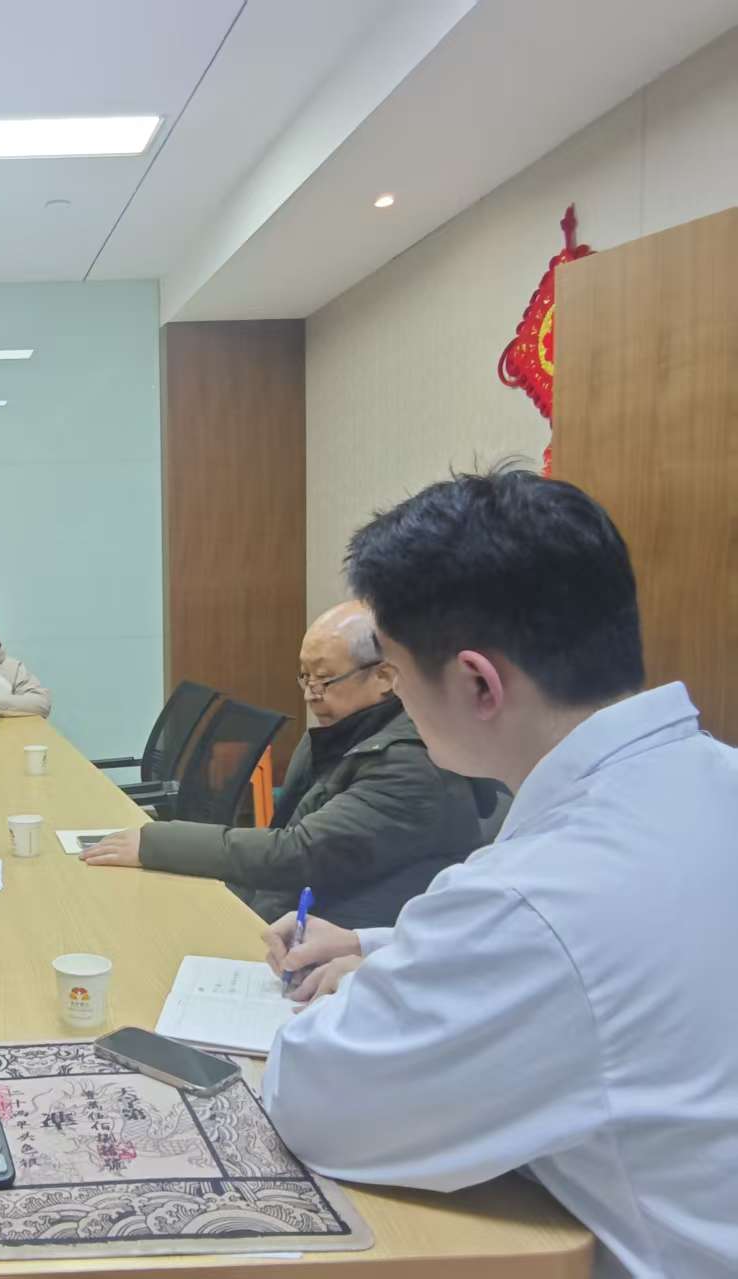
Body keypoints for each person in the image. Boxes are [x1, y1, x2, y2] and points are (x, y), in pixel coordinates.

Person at [258, 470, 738, 1279]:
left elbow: (317, 1101)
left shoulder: (537, 899)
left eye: (397, 677)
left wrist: (367, 990)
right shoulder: (706, 781)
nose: (397, 701)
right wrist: (376, 947)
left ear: (478, 682)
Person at [81, 601, 496, 928]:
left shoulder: (407, 764)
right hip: (295, 910)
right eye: (304, 677)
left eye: (325, 679)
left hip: (337, 944)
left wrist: (155, 843)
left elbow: (298, 852)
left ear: (384, 677)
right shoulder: (347, 732)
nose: (311, 694)